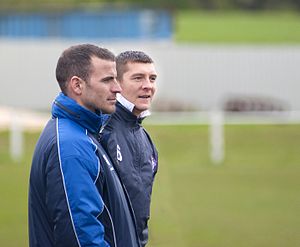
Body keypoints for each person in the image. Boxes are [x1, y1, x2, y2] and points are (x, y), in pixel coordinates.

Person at [28, 44, 140, 247]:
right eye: (107, 80)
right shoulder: (70, 146)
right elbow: (81, 239)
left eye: (115, 78)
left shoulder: (85, 133)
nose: (117, 87)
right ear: (77, 85)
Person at [100, 51, 159, 247]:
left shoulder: (145, 139)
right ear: (117, 84)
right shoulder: (102, 132)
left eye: (152, 78)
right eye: (138, 78)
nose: (148, 85)